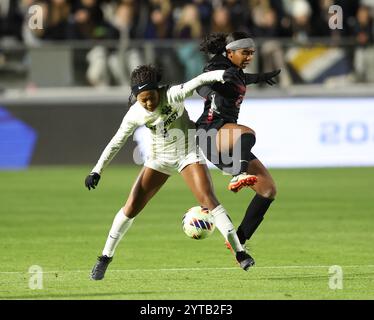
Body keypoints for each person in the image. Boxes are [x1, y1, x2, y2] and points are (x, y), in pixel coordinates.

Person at [85, 65, 255, 280]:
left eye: (151, 97)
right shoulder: (135, 113)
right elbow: (116, 142)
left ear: (159, 90)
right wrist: (97, 170)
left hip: (188, 154)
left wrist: (221, 75)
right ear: (135, 97)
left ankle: (240, 253)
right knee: (130, 207)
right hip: (159, 160)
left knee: (209, 200)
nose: (148, 103)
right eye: (142, 99)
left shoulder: (173, 94)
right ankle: (104, 257)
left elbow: (198, 80)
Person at [195, 31, 280, 262]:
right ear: (230, 52)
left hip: (227, 136)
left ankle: (239, 241)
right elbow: (201, 85)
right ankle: (238, 174)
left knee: (268, 190)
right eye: (245, 53)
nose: (249, 57)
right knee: (247, 133)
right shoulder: (217, 65)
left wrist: (260, 77)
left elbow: (239, 78)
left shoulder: (235, 70)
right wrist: (210, 90)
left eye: (252, 53)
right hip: (210, 131)